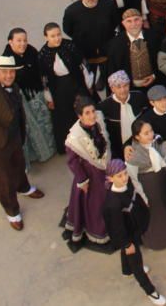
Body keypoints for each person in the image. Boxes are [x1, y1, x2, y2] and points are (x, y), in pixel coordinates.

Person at [0, 55, 45, 231]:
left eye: (11, 72)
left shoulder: (14, 85)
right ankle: (12, 212)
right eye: (4, 72)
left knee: (19, 165)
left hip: (13, 137)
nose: (9, 75)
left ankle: (24, 187)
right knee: (3, 178)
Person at [101, 160, 166, 305]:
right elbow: (117, 228)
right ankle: (151, 292)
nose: (124, 178)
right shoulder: (112, 204)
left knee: (131, 258)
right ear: (110, 178)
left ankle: (126, 270)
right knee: (137, 264)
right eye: (119, 176)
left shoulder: (126, 184)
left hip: (135, 227)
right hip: (127, 236)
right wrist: (127, 244)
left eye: (125, 173)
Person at [64, 96, 112, 252]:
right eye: (87, 113)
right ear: (80, 116)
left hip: (103, 170)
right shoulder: (74, 138)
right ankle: (98, 230)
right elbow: (72, 162)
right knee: (95, 205)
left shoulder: (99, 124)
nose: (92, 116)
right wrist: (82, 180)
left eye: (93, 111)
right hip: (89, 176)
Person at [125, 118, 166, 250]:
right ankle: (156, 240)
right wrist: (143, 197)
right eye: (146, 133)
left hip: (162, 178)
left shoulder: (157, 140)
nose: (150, 134)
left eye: (151, 131)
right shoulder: (132, 156)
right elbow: (133, 179)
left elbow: (165, 159)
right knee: (154, 212)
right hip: (148, 185)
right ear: (137, 137)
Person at [3, 28, 56, 165]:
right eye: (18, 40)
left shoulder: (31, 51)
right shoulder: (6, 61)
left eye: (25, 40)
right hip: (22, 101)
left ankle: (50, 150)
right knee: (31, 130)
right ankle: (37, 155)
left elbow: (41, 73)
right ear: (10, 42)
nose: (23, 44)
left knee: (46, 124)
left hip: (38, 95)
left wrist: (47, 95)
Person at [38, 22, 87, 153]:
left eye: (58, 34)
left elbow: (82, 65)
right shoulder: (43, 54)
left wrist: (88, 84)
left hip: (75, 82)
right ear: (46, 37)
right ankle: (71, 145)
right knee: (64, 116)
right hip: (58, 88)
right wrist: (49, 98)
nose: (57, 38)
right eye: (52, 36)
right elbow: (44, 79)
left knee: (82, 109)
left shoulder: (69, 45)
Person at [63, 0, 116, 91]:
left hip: (106, 47)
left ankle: (102, 79)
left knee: (110, 77)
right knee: (87, 80)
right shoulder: (71, 11)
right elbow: (67, 29)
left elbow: (114, 22)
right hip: (85, 50)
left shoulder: (108, 5)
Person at [107, 9, 161, 92]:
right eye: (129, 21)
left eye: (136, 19)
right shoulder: (115, 44)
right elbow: (113, 70)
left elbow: (161, 62)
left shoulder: (154, 37)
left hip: (154, 85)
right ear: (123, 24)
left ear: (142, 20)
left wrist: (154, 76)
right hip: (129, 90)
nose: (133, 24)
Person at [98, 70, 148, 158]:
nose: (123, 90)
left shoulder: (139, 97)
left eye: (125, 85)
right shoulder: (104, 106)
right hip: (119, 149)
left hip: (143, 144)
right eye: (118, 87)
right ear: (112, 89)